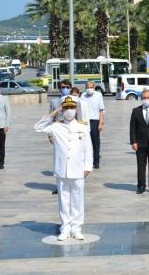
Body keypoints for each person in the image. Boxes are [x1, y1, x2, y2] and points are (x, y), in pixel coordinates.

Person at [34, 96, 93, 241]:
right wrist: (55, 111)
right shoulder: (55, 126)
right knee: (64, 200)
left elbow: (88, 148)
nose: (69, 111)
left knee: (78, 200)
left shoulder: (83, 126)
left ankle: (77, 228)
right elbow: (37, 127)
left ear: (76, 109)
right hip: (62, 169)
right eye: (66, 108)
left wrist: (88, 166)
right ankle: (65, 227)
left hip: (78, 169)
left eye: (72, 108)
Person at [79, 81, 105, 169]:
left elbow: (101, 110)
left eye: (90, 87)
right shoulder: (83, 95)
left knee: (95, 142)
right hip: (85, 121)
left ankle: (96, 161)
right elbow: (80, 110)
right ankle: (87, 161)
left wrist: (101, 123)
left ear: (94, 87)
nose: (89, 89)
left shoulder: (98, 95)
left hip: (95, 120)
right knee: (85, 142)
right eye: (87, 87)